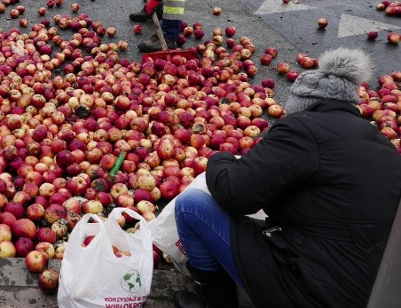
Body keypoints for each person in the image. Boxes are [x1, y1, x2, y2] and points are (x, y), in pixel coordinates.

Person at [172, 47, 401, 308]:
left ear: (302, 104)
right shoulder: (383, 144)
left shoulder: (303, 128)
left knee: (191, 207)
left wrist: (220, 158)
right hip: (373, 291)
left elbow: (233, 192)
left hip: (314, 293)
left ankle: (215, 303)